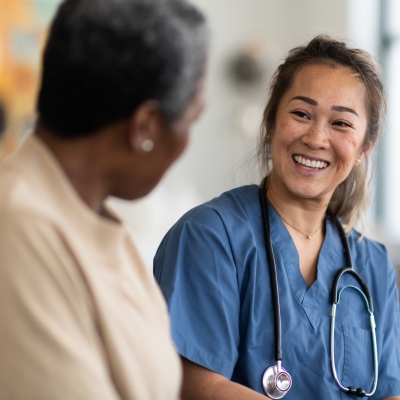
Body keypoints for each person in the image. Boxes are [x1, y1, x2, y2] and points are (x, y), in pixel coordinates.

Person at [154, 35, 400, 400]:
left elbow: (390, 391)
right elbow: (197, 386)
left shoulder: (373, 265)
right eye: (301, 114)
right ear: (270, 122)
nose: (316, 138)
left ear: (365, 148)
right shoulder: (209, 237)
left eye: (341, 124)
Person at [0, 0, 208, 399]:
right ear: (145, 126)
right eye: (192, 117)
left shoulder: (97, 221)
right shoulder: (19, 229)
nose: (188, 138)